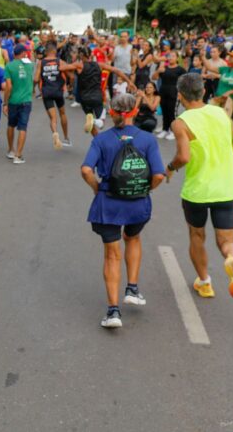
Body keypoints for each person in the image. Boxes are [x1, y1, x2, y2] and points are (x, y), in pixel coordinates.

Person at [80, 93, 165, 328]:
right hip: (137, 204)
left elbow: (86, 170)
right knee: (133, 237)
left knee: (111, 254)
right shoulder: (147, 140)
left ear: (112, 112)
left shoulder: (102, 140)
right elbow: (158, 174)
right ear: (135, 112)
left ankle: (113, 311)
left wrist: (98, 189)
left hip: (109, 202)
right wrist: (144, 189)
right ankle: (132, 288)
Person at [166, 73, 233, 299]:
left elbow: (184, 157)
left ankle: (205, 282)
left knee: (197, 236)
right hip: (225, 188)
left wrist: (170, 167)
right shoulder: (220, 113)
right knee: (226, 241)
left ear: (180, 96)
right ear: (203, 92)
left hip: (197, 191)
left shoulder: (181, 123)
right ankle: (232, 259)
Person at [3, 45, 35, 164]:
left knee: (11, 125)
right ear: (22, 53)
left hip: (13, 101)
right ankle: (18, 155)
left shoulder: (9, 66)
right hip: (26, 101)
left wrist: (5, 102)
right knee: (23, 127)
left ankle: (11, 150)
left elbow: (8, 86)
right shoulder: (30, 65)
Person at [152, 51, 186, 140]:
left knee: (172, 113)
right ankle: (165, 129)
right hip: (163, 92)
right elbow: (154, 78)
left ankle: (173, 131)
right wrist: (158, 71)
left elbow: (186, 81)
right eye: (169, 56)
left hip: (174, 93)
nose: (171, 58)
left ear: (177, 58)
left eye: (173, 56)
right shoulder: (164, 68)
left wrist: (182, 93)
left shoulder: (180, 69)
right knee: (165, 111)